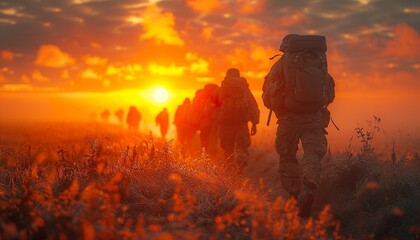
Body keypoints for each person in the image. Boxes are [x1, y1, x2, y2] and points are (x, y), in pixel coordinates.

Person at [262, 34, 335, 219]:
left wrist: (277, 104)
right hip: (314, 117)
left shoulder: (282, 64)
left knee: (287, 156)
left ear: (285, 47)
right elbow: (330, 91)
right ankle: (309, 186)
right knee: (313, 153)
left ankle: (294, 196)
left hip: (288, 119)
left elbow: (267, 92)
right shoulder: (319, 60)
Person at [217, 68, 260, 173]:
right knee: (241, 147)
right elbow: (253, 105)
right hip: (241, 123)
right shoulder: (244, 88)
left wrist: (217, 120)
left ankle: (229, 172)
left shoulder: (223, 87)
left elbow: (216, 105)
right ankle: (241, 168)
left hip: (226, 124)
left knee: (227, 149)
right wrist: (254, 123)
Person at [191, 84, 220, 157]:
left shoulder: (202, 99)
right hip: (214, 123)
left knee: (204, 140)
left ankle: (204, 156)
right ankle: (212, 157)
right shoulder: (215, 97)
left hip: (204, 122)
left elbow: (196, 110)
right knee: (213, 140)